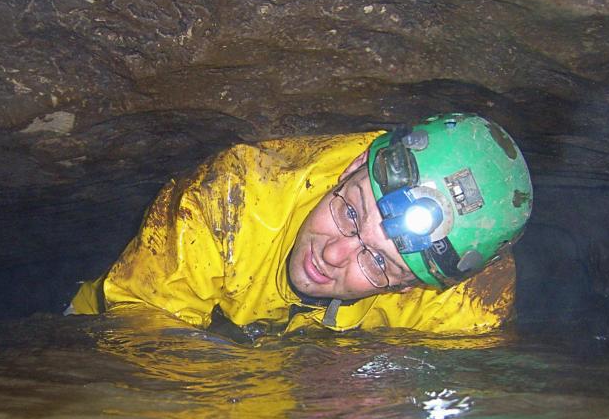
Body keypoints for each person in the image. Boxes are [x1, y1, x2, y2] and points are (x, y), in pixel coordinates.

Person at [67, 113, 533, 338]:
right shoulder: (231, 196)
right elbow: (137, 329)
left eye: (377, 262)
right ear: (354, 165)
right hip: (101, 320)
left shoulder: (468, 302)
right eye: (350, 213)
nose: (332, 254)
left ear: (412, 286)